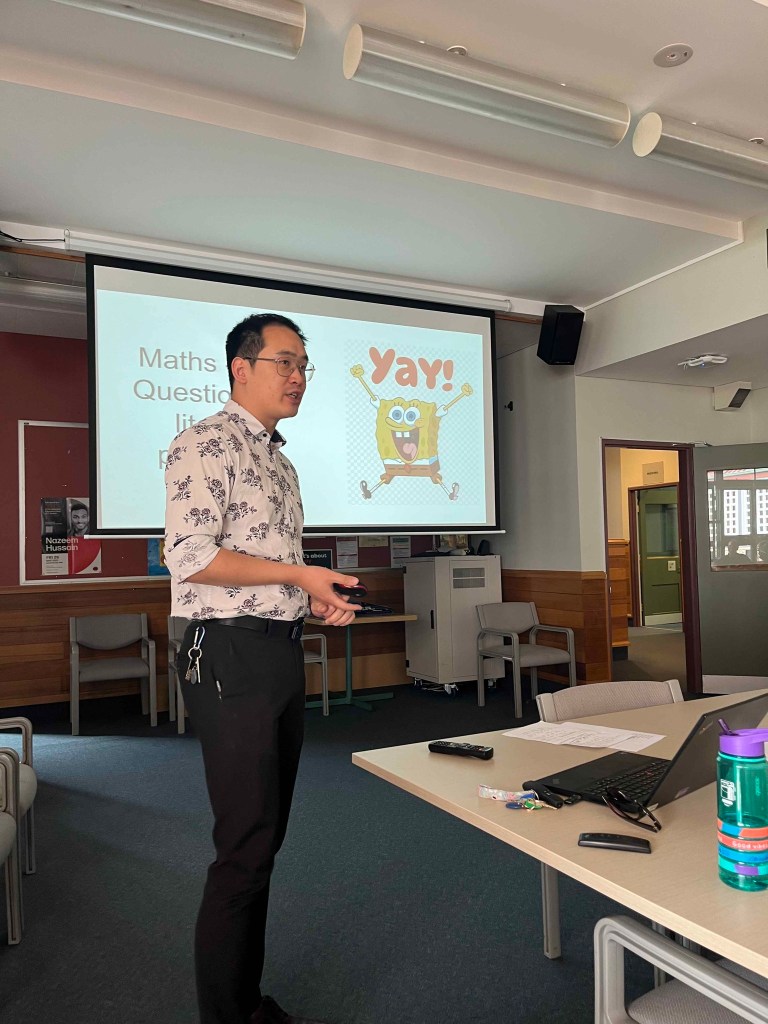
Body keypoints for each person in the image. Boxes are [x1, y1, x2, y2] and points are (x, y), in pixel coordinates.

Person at [164, 313, 361, 1024]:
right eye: (285, 361)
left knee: (264, 838)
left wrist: (313, 598)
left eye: (304, 364)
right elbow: (190, 557)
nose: (298, 376)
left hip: (277, 650)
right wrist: (299, 575)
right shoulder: (202, 442)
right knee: (244, 846)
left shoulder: (280, 460)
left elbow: (270, 569)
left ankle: (243, 1003)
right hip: (228, 654)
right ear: (240, 367)